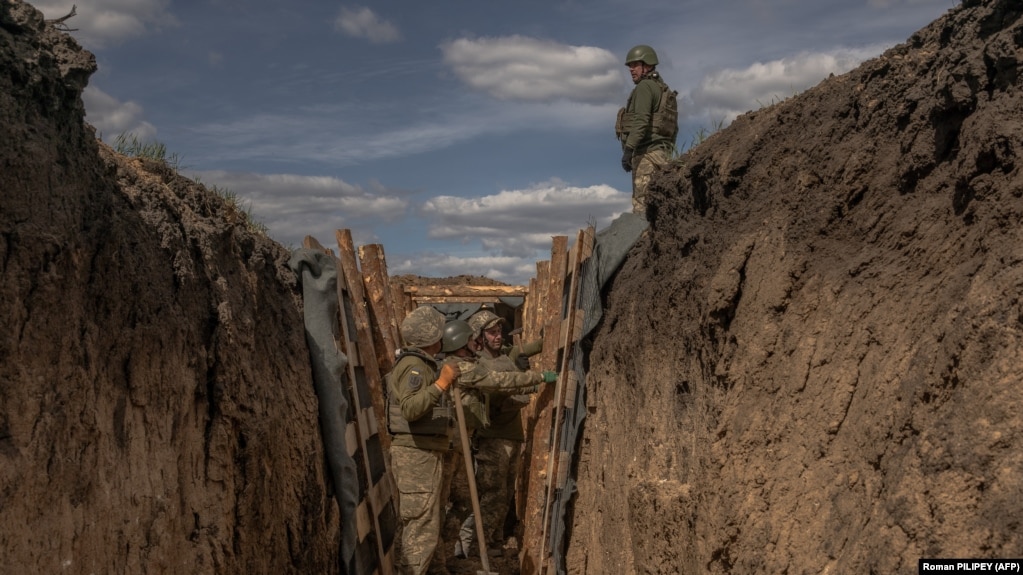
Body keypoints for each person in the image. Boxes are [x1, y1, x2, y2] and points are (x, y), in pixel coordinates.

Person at [439, 318, 555, 560]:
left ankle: (488, 543)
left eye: (499, 331)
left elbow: (538, 346)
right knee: (487, 494)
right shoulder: (472, 364)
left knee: (498, 494)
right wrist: (537, 377)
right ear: (478, 337)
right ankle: (467, 547)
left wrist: (548, 335)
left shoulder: (506, 354)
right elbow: (499, 383)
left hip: (506, 434)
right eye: (491, 332)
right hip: (488, 436)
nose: (497, 336)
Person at [387, 305, 461, 575]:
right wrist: (441, 383)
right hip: (416, 456)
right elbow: (410, 408)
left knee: (427, 523)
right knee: (420, 528)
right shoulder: (414, 367)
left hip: (424, 453)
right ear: (432, 336)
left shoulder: (421, 364)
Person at [616, 44, 678, 216]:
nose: (631, 69)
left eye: (635, 65)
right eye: (630, 66)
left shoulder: (645, 87)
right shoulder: (664, 90)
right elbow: (673, 127)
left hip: (646, 155)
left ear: (648, 65)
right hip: (662, 156)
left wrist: (629, 150)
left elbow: (641, 121)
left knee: (642, 210)